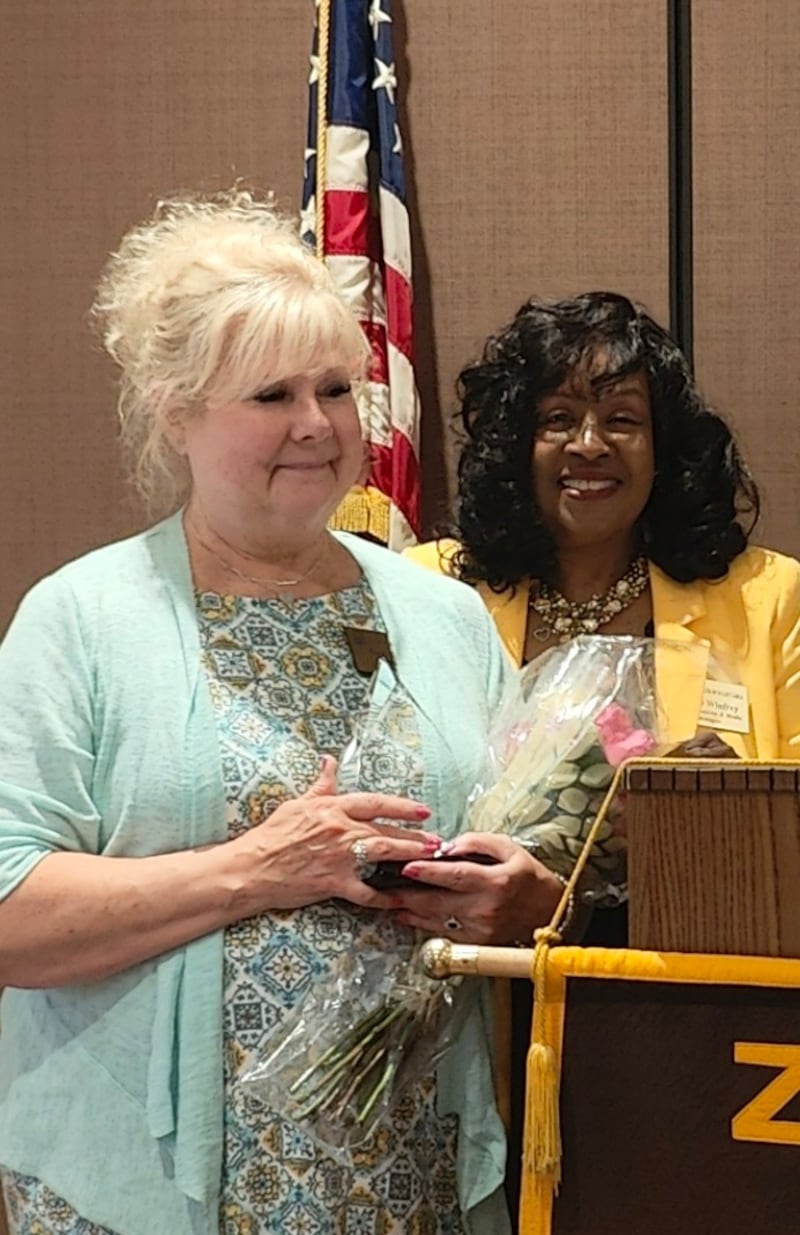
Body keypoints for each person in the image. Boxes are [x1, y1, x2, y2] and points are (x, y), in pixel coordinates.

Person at [0, 190, 567, 1235]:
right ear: (175, 413)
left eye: (335, 389)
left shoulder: (443, 618)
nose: (317, 424)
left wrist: (525, 901)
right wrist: (259, 868)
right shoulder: (78, 620)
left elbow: (523, 855)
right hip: (141, 1196)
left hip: (411, 1185)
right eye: (270, 394)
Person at [404, 289, 800, 1217]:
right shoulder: (430, 592)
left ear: (665, 449)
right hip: (455, 1021)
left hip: (677, 1028)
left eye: (622, 418)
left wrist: (703, 821)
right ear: (517, 445)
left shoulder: (766, 599)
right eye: (557, 418)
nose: (589, 443)